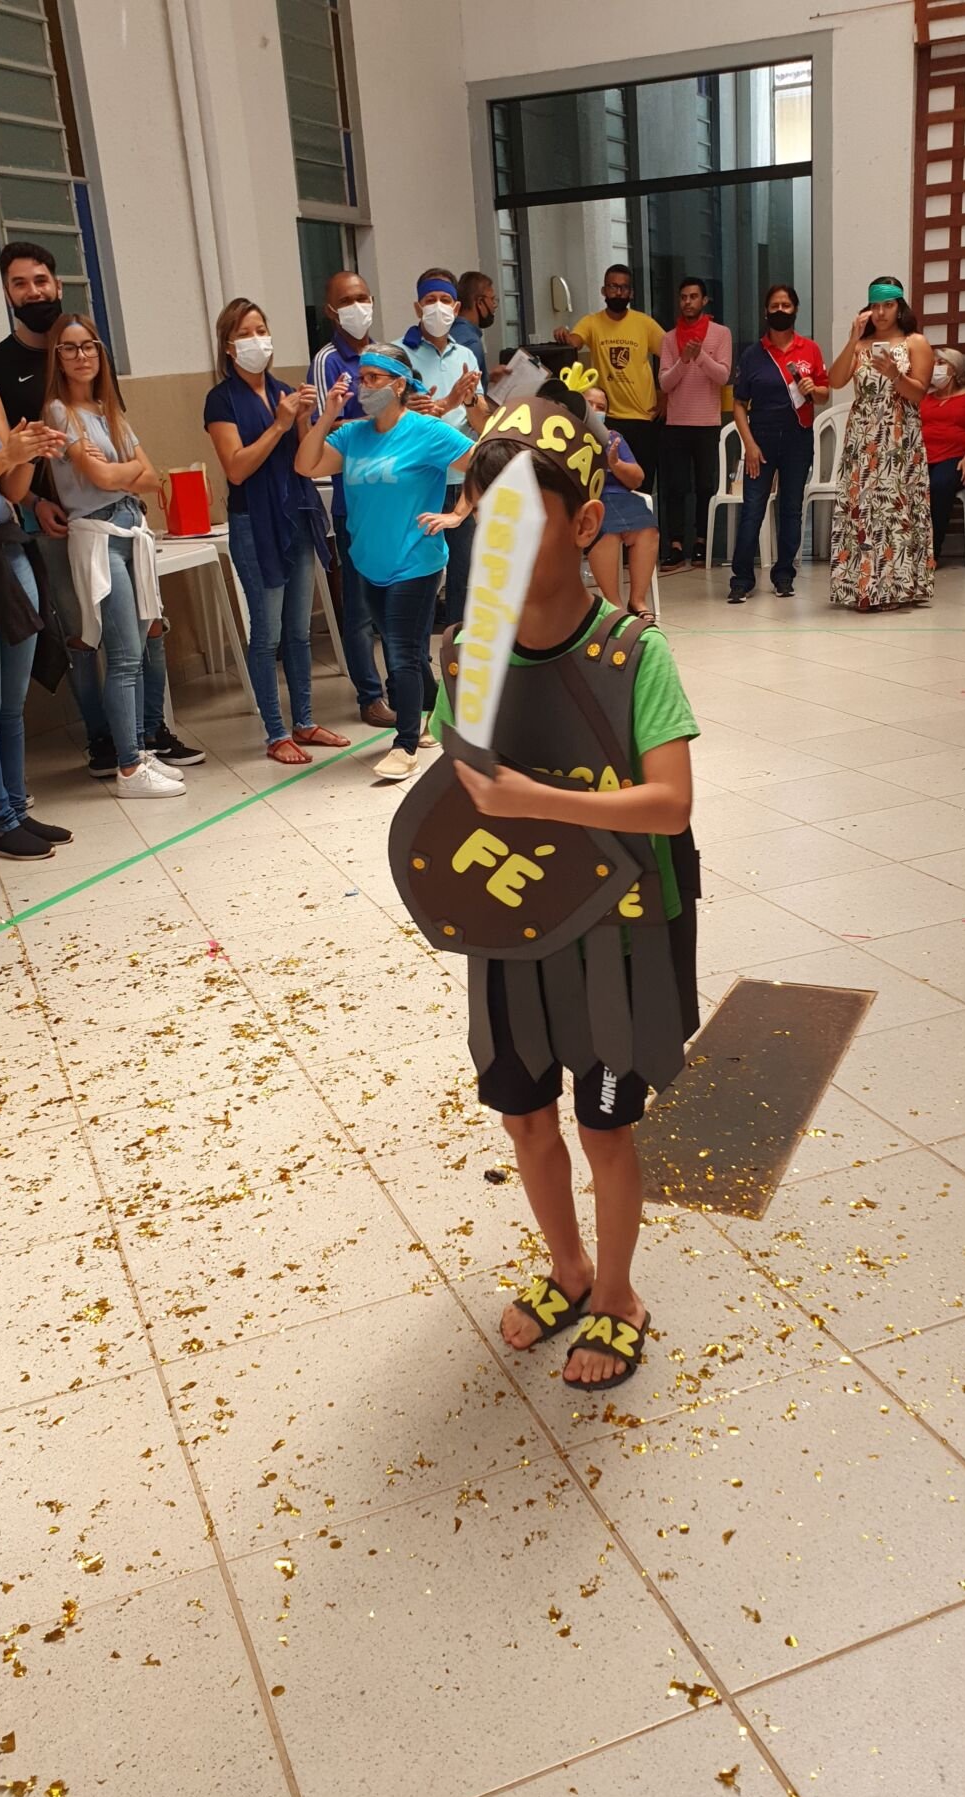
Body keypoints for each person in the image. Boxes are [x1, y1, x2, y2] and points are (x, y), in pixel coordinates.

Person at [423, 382, 700, 1389]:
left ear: (585, 525)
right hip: (513, 926)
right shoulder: (471, 658)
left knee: (603, 1126)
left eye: (522, 519)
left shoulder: (635, 653)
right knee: (525, 1116)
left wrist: (539, 797)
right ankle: (569, 1269)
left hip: (616, 938)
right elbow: (457, 799)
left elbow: (669, 804)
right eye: (484, 517)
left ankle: (619, 1295)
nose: (495, 542)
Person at [0, 241, 201, 777]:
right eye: (19, 284)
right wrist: (36, 500)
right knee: (85, 636)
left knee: (146, 633)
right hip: (54, 522)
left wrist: (125, 474)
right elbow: (11, 457)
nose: (33, 291)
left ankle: (148, 735)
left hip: (120, 520)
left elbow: (142, 470)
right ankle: (110, 744)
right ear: (8, 293)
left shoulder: (98, 387)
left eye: (40, 280)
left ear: (57, 284)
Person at [296, 343, 472, 781]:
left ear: (398, 385)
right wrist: (327, 414)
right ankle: (439, 705)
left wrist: (457, 514)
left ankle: (405, 745)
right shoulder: (352, 435)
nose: (363, 386)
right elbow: (306, 465)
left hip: (416, 559)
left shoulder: (427, 431)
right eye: (361, 378)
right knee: (401, 644)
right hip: (367, 560)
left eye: (373, 378)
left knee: (400, 653)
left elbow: (486, 463)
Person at [204, 298, 350, 765]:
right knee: (266, 633)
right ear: (229, 346)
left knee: (299, 631)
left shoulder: (285, 390)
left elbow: (306, 457)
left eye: (261, 330)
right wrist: (280, 423)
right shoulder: (221, 399)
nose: (257, 340)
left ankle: (304, 721)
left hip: (297, 514)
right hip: (255, 522)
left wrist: (314, 418)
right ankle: (275, 731)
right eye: (245, 333)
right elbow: (237, 468)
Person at [43, 313, 183, 799]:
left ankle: (139, 750)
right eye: (69, 348)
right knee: (122, 655)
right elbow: (105, 479)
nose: (81, 356)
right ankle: (128, 769)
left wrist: (119, 471)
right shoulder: (59, 412)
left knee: (140, 649)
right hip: (98, 535)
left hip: (131, 531)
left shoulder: (108, 411)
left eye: (88, 346)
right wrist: (125, 473)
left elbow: (152, 475)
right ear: (57, 358)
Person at [0, 382, 72, 859]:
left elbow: (12, 491)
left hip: (6, 542)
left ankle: (16, 808)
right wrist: (6, 456)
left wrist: (28, 454)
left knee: (12, 701)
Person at [308, 269, 392, 728]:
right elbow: (327, 430)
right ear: (330, 310)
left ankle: (406, 684)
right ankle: (369, 695)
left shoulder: (386, 355)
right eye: (346, 301)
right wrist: (378, 420)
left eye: (363, 297)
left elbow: (404, 412)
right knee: (359, 607)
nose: (357, 307)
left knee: (397, 601)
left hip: (395, 500)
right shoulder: (327, 362)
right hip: (354, 504)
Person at [828, 276, 935, 612]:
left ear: (899, 306)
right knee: (862, 510)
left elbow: (919, 394)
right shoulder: (861, 345)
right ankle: (862, 588)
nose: (881, 312)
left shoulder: (916, 342)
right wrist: (852, 339)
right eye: (875, 305)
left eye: (888, 305)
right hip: (862, 437)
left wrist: (894, 374)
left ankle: (897, 589)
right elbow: (835, 381)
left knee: (896, 509)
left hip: (900, 437)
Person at [397, 268, 490, 627]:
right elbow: (391, 421)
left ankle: (459, 648)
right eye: (430, 300)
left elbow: (480, 422)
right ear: (417, 307)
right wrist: (439, 404)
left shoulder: (465, 354)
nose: (437, 307)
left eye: (445, 300)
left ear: (457, 307)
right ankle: (417, 653)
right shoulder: (399, 354)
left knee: (464, 576)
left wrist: (467, 400)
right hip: (421, 481)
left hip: (462, 479)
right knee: (420, 576)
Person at [728, 285, 829, 605]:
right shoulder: (753, 355)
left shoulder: (810, 349)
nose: (781, 310)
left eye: (786, 305)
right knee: (752, 509)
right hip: (761, 440)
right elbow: (739, 404)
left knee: (791, 509)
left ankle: (784, 575)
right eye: (775, 305)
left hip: (799, 438)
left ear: (795, 309)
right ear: (766, 311)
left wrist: (814, 389)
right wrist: (749, 445)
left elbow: (824, 395)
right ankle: (741, 579)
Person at [555, 265, 665, 490]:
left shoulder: (644, 323)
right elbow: (574, 342)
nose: (618, 292)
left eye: (624, 288)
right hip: (607, 419)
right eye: (613, 287)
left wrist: (666, 395)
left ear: (631, 293)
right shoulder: (592, 322)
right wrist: (563, 335)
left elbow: (672, 355)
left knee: (642, 486)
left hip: (643, 418)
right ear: (603, 290)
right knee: (607, 484)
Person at [658, 277, 732, 570]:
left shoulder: (721, 334)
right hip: (676, 423)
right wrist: (684, 360)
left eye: (693, 297)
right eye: (683, 297)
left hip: (707, 423)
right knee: (676, 487)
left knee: (704, 486)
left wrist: (699, 355)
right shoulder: (669, 338)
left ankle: (702, 542)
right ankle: (675, 545)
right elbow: (665, 383)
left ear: (704, 300)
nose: (688, 302)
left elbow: (723, 376)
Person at [584, 384, 659, 616]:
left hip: (620, 496)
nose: (596, 410)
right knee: (606, 532)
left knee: (647, 529)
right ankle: (614, 606)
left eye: (601, 407)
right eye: (590, 404)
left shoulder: (613, 438)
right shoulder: (565, 436)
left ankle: (637, 601)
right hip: (589, 501)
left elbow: (637, 478)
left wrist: (615, 464)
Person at [919, 348, 965, 561]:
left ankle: (932, 552)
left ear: (955, 369)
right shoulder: (924, 399)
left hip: (955, 459)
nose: (935, 367)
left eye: (941, 363)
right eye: (933, 363)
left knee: (939, 484)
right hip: (922, 458)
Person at [451, 271, 498, 390]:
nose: (494, 305)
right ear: (480, 302)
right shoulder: (471, 342)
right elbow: (466, 393)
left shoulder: (451, 331)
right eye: (492, 299)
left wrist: (487, 377)